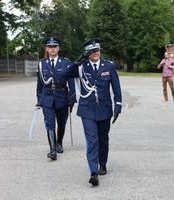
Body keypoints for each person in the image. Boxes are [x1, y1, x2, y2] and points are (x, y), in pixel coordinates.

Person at [67, 38, 122, 186]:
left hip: (104, 109)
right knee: (92, 140)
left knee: (103, 139)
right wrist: (77, 62)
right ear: (87, 53)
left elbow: (116, 87)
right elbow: (66, 74)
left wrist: (118, 105)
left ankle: (102, 162)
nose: (96, 53)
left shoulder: (108, 66)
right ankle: (93, 172)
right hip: (87, 110)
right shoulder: (81, 67)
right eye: (92, 51)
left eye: (97, 50)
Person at [36, 37, 76, 161]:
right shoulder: (42, 63)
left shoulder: (66, 63)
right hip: (47, 97)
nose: (52, 49)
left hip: (62, 96)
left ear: (58, 48)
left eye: (55, 46)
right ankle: (52, 149)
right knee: (49, 123)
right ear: (46, 49)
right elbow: (39, 83)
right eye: (50, 47)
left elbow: (71, 82)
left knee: (62, 122)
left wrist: (72, 99)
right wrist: (39, 98)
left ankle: (59, 142)